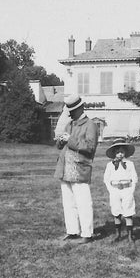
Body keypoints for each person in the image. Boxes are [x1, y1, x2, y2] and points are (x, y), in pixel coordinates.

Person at [54, 94, 99, 244]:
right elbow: (62, 146)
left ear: (81, 108)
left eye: (72, 110)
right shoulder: (69, 125)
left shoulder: (90, 125)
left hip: (79, 169)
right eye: (69, 110)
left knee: (83, 202)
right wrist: (60, 142)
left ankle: (87, 234)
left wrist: (70, 140)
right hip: (65, 168)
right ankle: (72, 231)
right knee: (68, 203)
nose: (70, 113)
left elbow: (90, 147)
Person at [103, 138, 138, 243]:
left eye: (122, 152)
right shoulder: (110, 165)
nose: (120, 154)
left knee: (128, 212)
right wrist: (111, 190)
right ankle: (118, 235)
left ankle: (130, 236)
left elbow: (134, 178)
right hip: (115, 190)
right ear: (114, 153)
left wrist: (131, 190)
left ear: (125, 153)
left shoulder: (130, 164)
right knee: (116, 212)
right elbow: (106, 179)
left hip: (127, 189)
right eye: (117, 152)